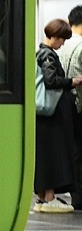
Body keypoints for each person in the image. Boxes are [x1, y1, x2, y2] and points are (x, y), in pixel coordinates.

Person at [35, 18, 82, 213]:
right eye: (61, 39)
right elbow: (51, 80)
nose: (62, 44)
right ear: (53, 36)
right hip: (51, 114)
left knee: (46, 154)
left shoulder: (40, 52)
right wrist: (72, 81)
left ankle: (43, 195)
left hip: (48, 114)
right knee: (53, 155)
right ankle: (50, 196)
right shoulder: (47, 55)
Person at [61, 5, 82, 208]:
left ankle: (75, 195)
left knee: (73, 151)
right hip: (79, 105)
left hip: (64, 105)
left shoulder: (62, 44)